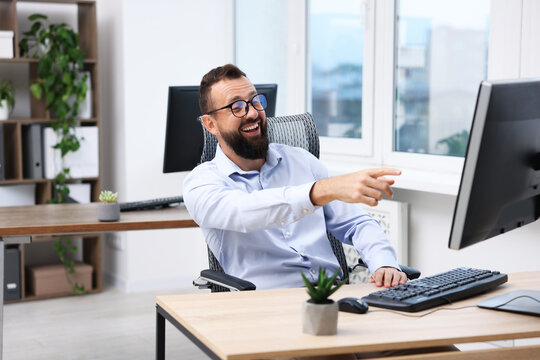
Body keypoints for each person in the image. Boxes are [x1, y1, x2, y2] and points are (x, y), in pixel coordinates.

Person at [183, 64, 406, 290]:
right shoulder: (201, 184)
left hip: (331, 295)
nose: (252, 113)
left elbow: (357, 223)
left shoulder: (301, 160)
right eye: (236, 107)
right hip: (266, 306)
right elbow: (246, 212)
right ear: (210, 124)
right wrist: (319, 191)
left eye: (255, 101)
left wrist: (384, 264)